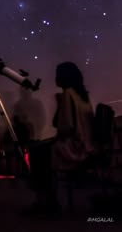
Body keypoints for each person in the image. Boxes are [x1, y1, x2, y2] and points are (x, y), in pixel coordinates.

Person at [26, 62, 95, 217]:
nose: (55, 77)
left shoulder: (68, 94)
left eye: (57, 74)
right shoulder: (83, 95)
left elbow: (65, 126)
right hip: (86, 146)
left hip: (74, 148)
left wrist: (60, 106)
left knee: (38, 152)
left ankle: (43, 202)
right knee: (42, 150)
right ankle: (47, 200)